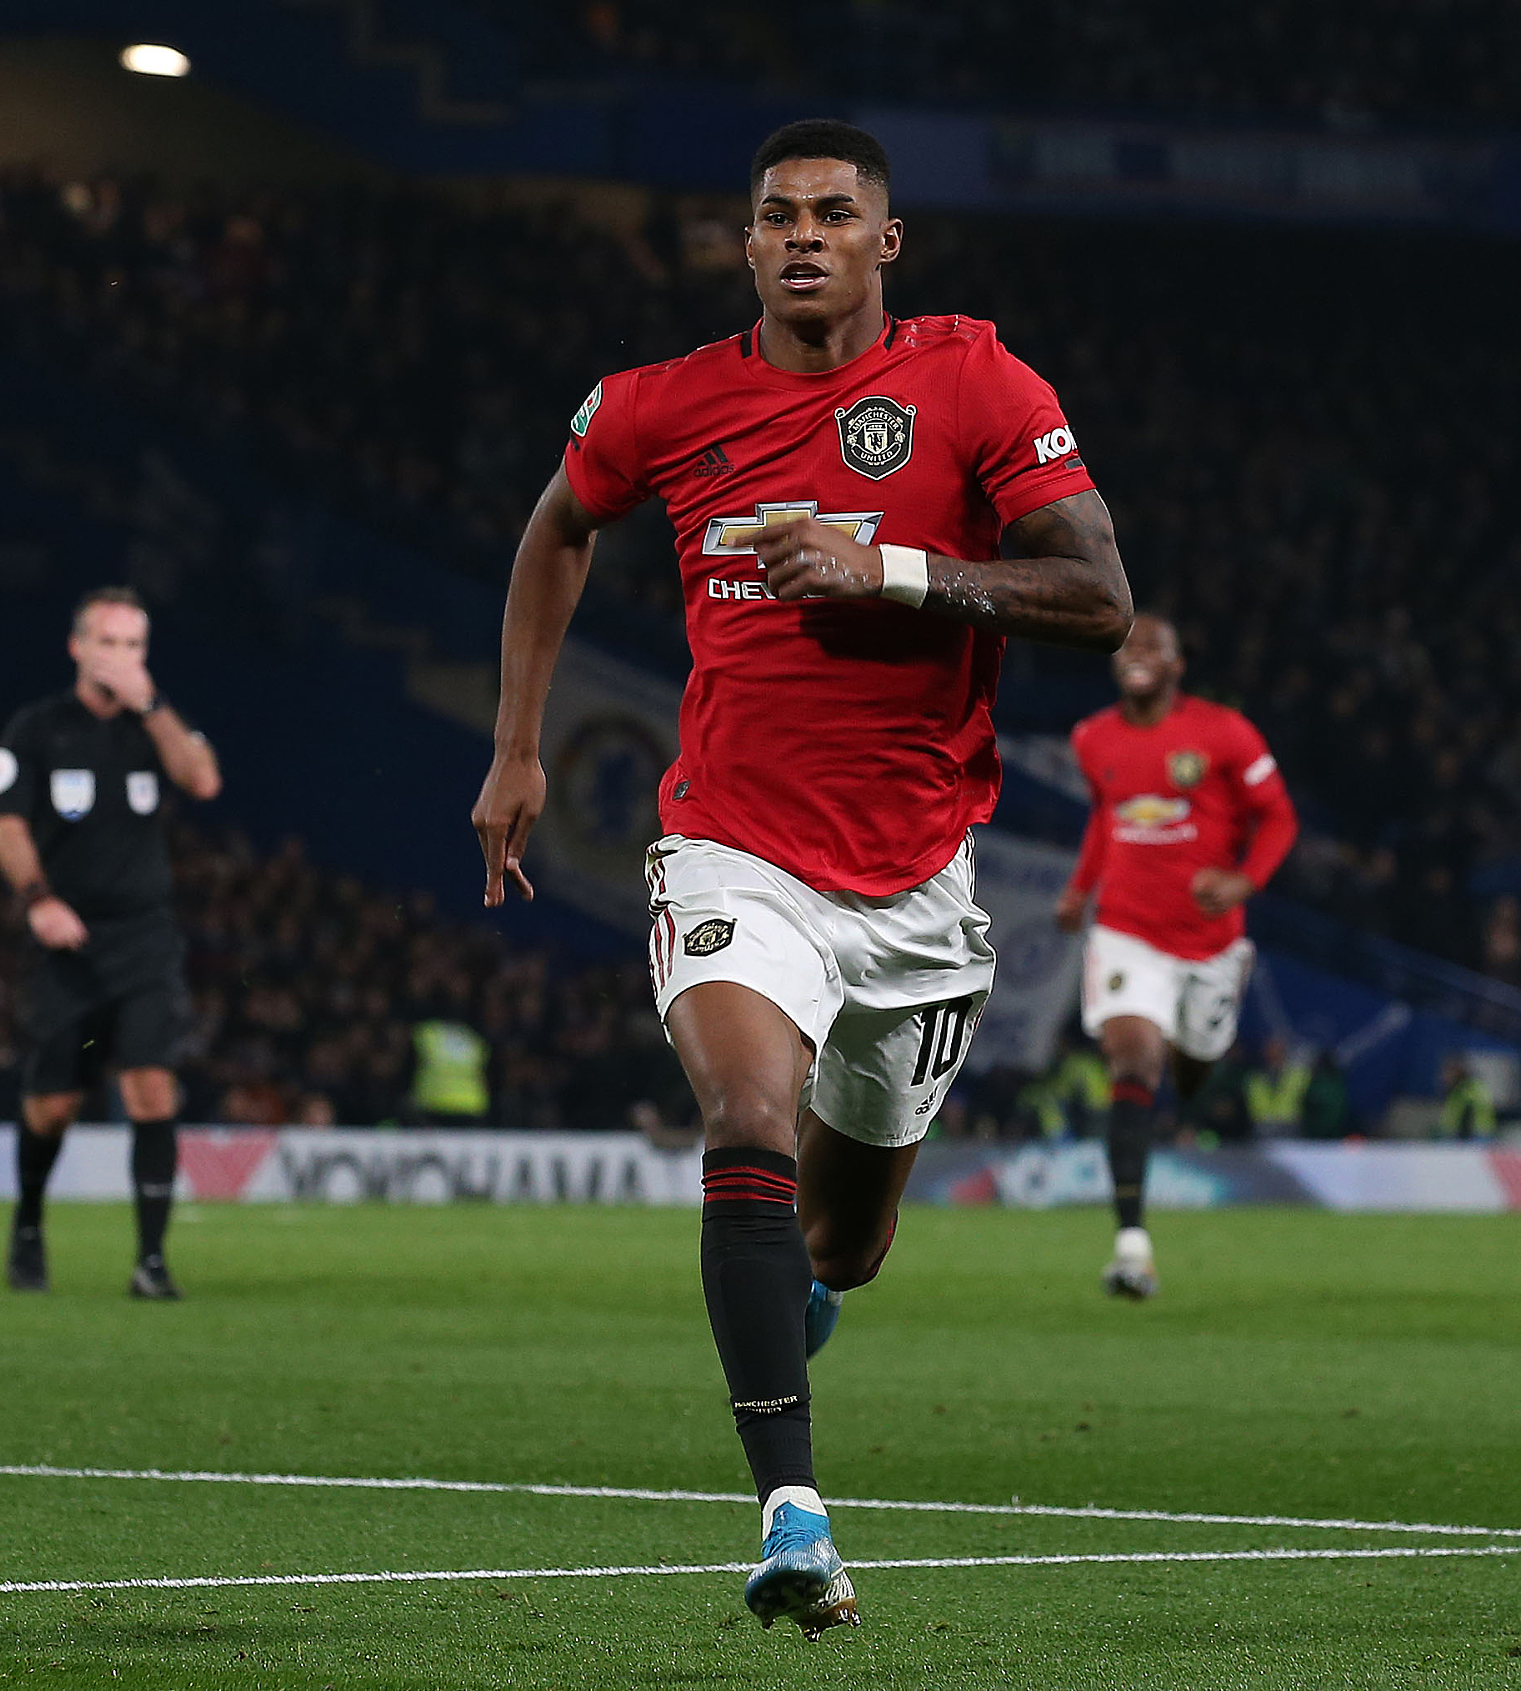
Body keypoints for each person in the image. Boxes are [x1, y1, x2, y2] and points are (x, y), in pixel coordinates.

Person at [470, 120, 1131, 1637]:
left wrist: (880, 568)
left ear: (885, 241)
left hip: (917, 878)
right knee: (744, 1118)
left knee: (844, 1241)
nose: (804, 236)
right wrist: (517, 745)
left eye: (835, 213)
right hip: (735, 843)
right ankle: (794, 1513)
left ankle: (802, 1292)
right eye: (778, 216)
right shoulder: (662, 404)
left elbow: (1098, 596)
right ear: (747, 244)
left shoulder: (977, 381)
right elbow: (558, 525)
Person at [0, 587, 221, 1299]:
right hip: (67, 942)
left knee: (151, 1086)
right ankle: (29, 1221)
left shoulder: (156, 725)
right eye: (109, 642)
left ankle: (151, 1261)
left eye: (134, 644)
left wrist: (152, 705)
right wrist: (38, 900)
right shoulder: (37, 728)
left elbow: (202, 780)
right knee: (54, 1103)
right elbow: (4, 823)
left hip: (144, 940)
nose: (121, 656)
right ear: (77, 648)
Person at [1054, 614, 1296, 1298]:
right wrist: (1080, 890)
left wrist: (1243, 882)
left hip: (1211, 943)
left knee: (1193, 1069)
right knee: (1133, 1060)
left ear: (1176, 664)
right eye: (1127, 645)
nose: (1136, 655)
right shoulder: (1091, 737)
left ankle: (1201, 1042)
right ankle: (1132, 1246)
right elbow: (1106, 816)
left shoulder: (1225, 732)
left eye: (1151, 647)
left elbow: (1279, 817)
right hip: (1127, 931)